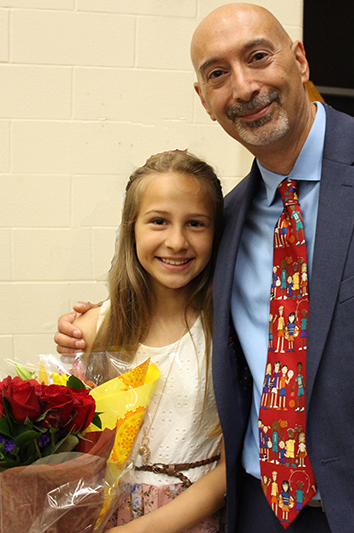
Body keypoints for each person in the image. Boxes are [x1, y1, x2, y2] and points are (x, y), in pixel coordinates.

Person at [58, 4, 354, 531]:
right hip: (256, 512)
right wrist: (96, 323)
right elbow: (175, 297)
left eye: (258, 57)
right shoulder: (228, 219)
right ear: (205, 100)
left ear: (300, 60)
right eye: (218, 74)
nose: (243, 87)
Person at [71, 150, 226, 532]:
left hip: (194, 517)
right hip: (104, 515)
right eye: (158, 221)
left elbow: (233, 465)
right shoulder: (94, 329)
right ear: (131, 228)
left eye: (195, 223)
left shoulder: (227, 331)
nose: (176, 241)